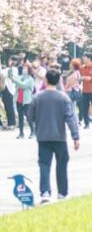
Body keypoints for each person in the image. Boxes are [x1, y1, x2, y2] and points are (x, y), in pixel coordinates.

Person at [27, 69, 80, 203]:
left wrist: (37, 123)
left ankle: (45, 192)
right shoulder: (63, 98)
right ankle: (62, 192)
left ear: (45, 80)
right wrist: (75, 137)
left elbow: (30, 116)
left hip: (43, 137)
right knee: (61, 164)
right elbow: (70, 118)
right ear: (59, 81)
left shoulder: (37, 97)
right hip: (59, 137)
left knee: (44, 164)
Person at [12, 61, 37, 138]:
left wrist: (16, 80)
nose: (24, 69)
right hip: (19, 99)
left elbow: (23, 85)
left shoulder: (30, 79)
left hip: (27, 101)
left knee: (29, 116)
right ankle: (21, 133)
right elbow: (15, 83)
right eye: (23, 68)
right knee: (20, 117)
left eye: (25, 68)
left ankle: (33, 132)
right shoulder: (20, 78)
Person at [80, 54, 92, 129]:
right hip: (85, 90)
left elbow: (89, 78)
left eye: (84, 58)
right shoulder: (82, 67)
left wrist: (88, 78)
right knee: (84, 107)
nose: (83, 59)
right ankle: (86, 124)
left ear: (89, 58)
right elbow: (79, 77)